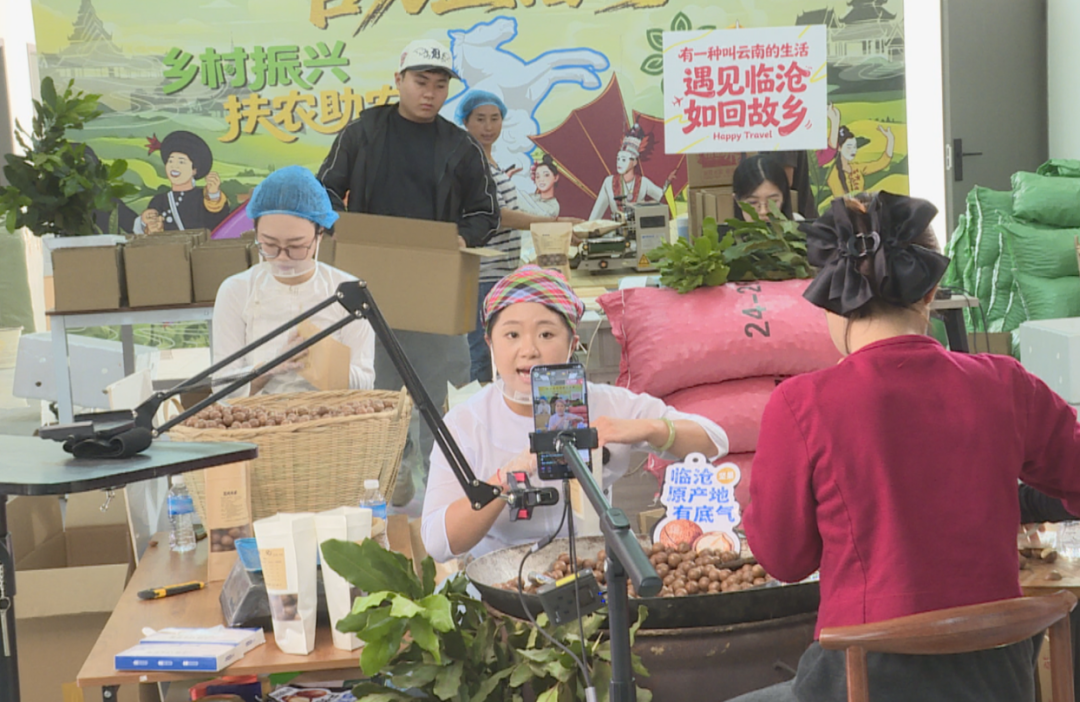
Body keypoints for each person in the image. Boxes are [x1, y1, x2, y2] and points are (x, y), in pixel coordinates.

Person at [730, 192, 1080, 702]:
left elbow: (785, 560)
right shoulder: (1005, 383)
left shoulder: (803, 403)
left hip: (866, 676)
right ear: (932, 287)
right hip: (997, 676)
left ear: (832, 293)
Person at [420, 265, 729, 563]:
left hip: (593, 569)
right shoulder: (465, 423)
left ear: (572, 343)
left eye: (546, 334)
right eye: (512, 335)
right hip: (502, 578)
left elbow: (715, 441)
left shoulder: (606, 404)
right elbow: (437, 542)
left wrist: (647, 429)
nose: (529, 350)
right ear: (489, 342)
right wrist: (504, 479)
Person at [316, 39, 500, 507]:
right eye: (421, 82)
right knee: (378, 385)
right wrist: (348, 228)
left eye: (439, 86)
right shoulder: (362, 133)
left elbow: (486, 211)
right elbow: (325, 192)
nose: (429, 93)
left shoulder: (460, 146)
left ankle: (446, 483)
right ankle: (390, 468)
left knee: (442, 389)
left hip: (435, 288)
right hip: (369, 286)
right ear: (399, 80)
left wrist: (462, 237)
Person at [211, 166, 375, 397]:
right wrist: (269, 369)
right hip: (257, 417)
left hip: (333, 416)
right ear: (256, 234)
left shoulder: (349, 291)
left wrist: (323, 360)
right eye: (269, 245)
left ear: (319, 235)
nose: (282, 257)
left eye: (296, 246)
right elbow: (221, 386)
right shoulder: (236, 291)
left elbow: (365, 385)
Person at [455, 90, 582, 383]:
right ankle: (481, 407)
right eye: (480, 119)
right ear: (465, 122)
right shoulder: (470, 165)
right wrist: (553, 224)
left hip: (500, 271)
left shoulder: (489, 161)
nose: (488, 127)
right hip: (482, 273)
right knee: (483, 353)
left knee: (495, 350)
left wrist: (556, 226)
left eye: (495, 118)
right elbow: (496, 215)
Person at [137, 131, 230, 233]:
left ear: (194, 170)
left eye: (181, 162)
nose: (174, 166)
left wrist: (214, 195)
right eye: (170, 161)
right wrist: (150, 226)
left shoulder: (203, 197)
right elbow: (149, 232)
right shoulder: (159, 201)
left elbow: (219, 224)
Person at [589, 125, 676, 221]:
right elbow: (595, 216)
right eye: (618, 159)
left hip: (638, 227)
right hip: (616, 228)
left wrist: (667, 182)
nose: (619, 163)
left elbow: (661, 198)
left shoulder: (643, 182)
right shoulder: (609, 182)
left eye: (624, 159)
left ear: (634, 162)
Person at [821, 104, 894, 198]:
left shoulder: (856, 167)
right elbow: (840, 199)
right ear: (839, 148)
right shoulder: (833, 174)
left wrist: (890, 139)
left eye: (855, 147)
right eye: (849, 147)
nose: (853, 150)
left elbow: (881, 163)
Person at [731, 155, 801, 221]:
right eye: (753, 202)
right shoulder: (728, 229)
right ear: (737, 200)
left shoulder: (800, 226)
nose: (763, 211)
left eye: (772, 202)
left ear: (784, 197)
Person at [517, 154, 562, 219]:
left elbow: (533, 210)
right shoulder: (531, 196)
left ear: (555, 178)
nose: (541, 180)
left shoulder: (553, 206)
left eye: (546, 175)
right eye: (537, 176)